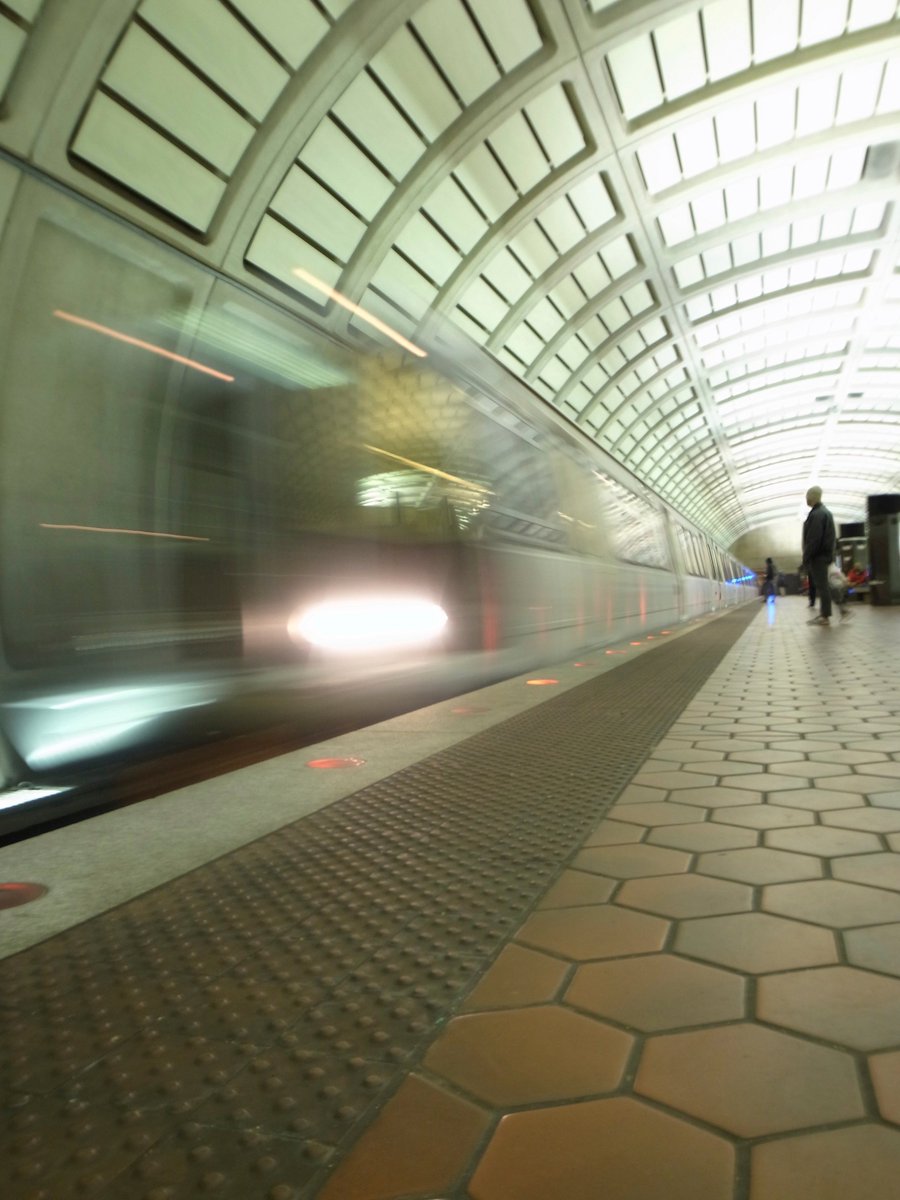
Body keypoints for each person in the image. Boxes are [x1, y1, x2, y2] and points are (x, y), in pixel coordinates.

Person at [802, 485, 836, 626]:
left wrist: (807, 556)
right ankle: (828, 612)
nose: (806, 499)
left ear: (812, 497)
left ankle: (825, 616)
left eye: (807, 496)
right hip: (825, 555)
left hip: (819, 556)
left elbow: (814, 539)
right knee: (825, 585)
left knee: (822, 586)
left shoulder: (817, 514)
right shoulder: (825, 512)